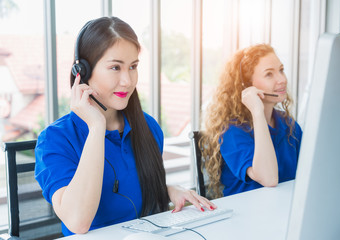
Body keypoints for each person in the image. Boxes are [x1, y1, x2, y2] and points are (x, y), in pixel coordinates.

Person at [35, 16, 216, 236]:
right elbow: (78, 221)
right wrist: (96, 127)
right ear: (82, 72)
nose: (127, 81)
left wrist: (171, 190)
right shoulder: (55, 139)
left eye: (133, 67)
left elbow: (137, 188)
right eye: (115, 68)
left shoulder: (147, 126)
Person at [200, 44, 302, 198]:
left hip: (284, 209)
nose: (281, 79)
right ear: (247, 86)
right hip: (248, 216)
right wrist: (257, 111)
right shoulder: (232, 130)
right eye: (269, 74)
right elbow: (269, 179)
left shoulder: (288, 123)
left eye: (281, 70)